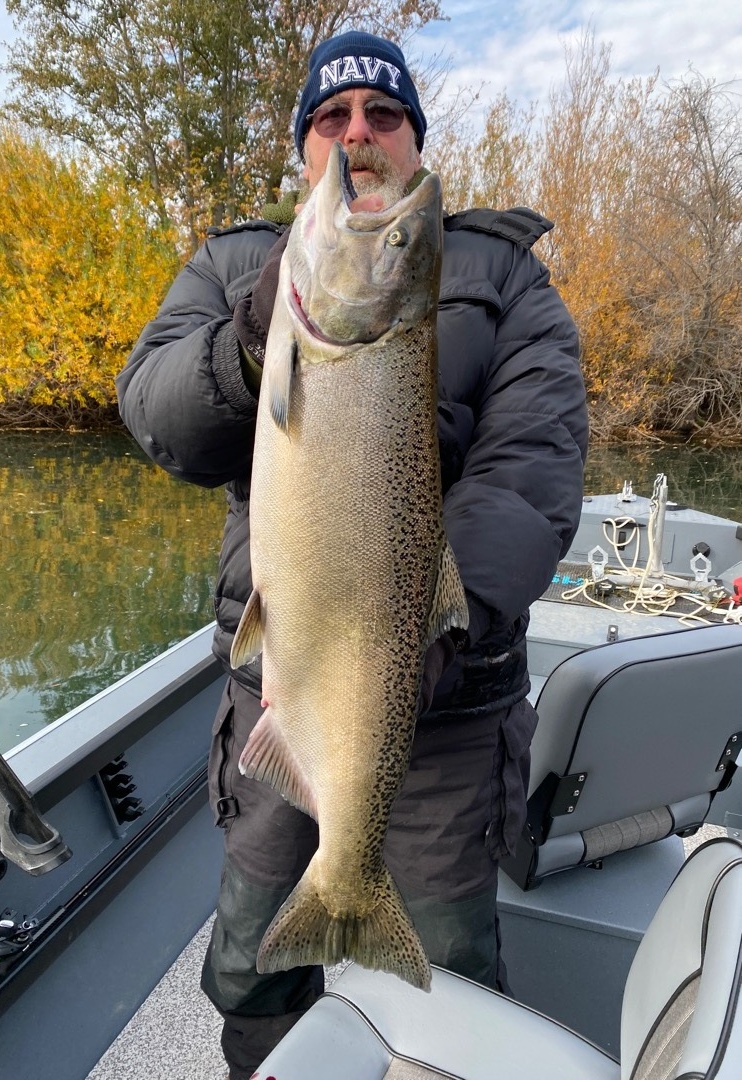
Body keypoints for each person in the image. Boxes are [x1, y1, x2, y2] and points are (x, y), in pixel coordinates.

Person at [116, 30, 588, 1080]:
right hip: (276, 694)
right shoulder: (238, 269)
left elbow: (532, 478)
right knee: (246, 968)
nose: (356, 136)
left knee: (452, 983)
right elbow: (159, 421)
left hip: (453, 712)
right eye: (332, 118)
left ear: (417, 139)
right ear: (304, 149)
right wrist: (246, 342)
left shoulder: (509, 280)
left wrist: (421, 639)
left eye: (384, 116)